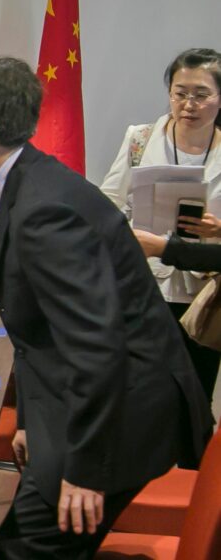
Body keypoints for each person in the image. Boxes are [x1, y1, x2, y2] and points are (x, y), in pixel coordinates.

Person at [0, 56, 213, 559]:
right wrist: (30, 424)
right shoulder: (19, 186)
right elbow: (40, 333)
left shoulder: (44, 210)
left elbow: (96, 345)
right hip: (91, 402)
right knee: (18, 540)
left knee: (27, 546)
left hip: (123, 414)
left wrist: (84, 469)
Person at [100, 48, 221, 401]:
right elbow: (108, 202)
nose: (189, 105)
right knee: (139, 392)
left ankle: (187, 458)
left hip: (204, 293)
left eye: (201, 95)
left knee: (193, 393)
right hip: (143, 284)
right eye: (180, 93)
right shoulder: (140, 139)